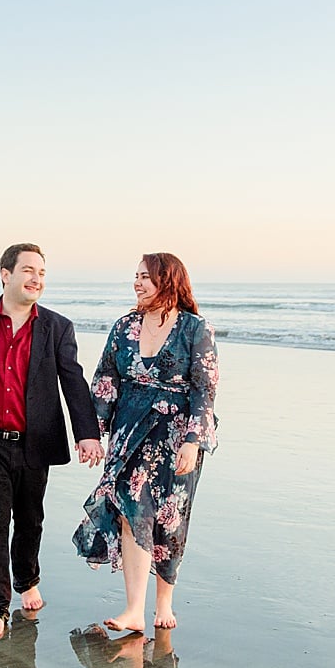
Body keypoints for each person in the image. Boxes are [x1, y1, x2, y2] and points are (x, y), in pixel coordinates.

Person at [0, 243, 104, 637]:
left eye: (42, 273)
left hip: (35, 441)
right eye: (29, 271)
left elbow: (73, 381)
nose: (37, 280)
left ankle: (27, 580)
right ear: (6, 274)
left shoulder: (56, 326)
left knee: (31, 519)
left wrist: (87, 433)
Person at [73, 252, 218, 632]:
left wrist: (193, 439)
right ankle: (135, 609)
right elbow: (105, 379)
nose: (137, 283)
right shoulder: (124, 328)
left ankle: (163, 602)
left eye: (145, 277)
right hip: (129, 430)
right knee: (131, 510)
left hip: (174, 437)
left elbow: (205, 389)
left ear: (167, 281)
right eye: (135, 277)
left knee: (170, 517)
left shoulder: (195, 328)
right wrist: (94, 433)